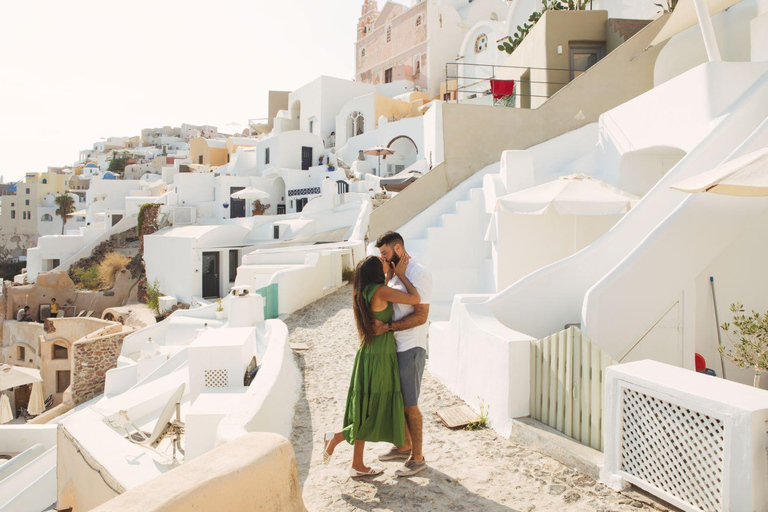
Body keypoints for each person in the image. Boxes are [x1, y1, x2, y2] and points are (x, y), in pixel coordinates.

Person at [322, 254, 422, 477]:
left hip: (368, 353)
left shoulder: (364, 291)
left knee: (364, 406)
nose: (388, 263)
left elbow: (381, 297)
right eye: (384, 263)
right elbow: (415, 299)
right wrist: (402, 276)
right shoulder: (381, 291)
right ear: (377, 271)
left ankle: (357, 465)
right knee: (372, 407)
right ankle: (337, 437)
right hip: (380, 355)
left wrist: (388, 277)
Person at [374, 231, 432, 477]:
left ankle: (417, 459)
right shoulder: (397, 274)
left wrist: (389, 327)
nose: (383, 259)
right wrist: (390, 275)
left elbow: (421, 315)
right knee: (399, 401)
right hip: (396, 346)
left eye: (385, 254)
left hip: (411, 346)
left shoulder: (419, 273)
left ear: (398, 249)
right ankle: (404, 446)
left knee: (411, 405)